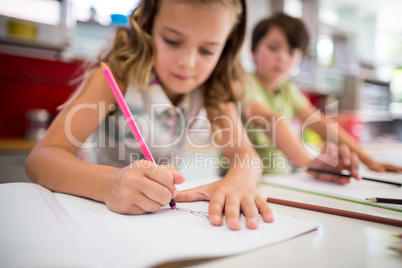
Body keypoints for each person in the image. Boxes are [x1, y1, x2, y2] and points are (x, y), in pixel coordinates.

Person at [25, 0, 357, 232]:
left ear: (225, 47)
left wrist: (237, 182)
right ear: (148, 27)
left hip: (161, 219)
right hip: (93, 216)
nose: (188, 63)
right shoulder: (118, 74)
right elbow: (42, 158)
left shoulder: (212, 87)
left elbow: (246, 156)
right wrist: (110, 184)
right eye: (172, 40)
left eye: (207, 50)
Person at [242, 12, 402, 178]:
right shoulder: (244, 82)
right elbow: (271, 119)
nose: (282, 57)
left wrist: (369, 161)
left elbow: (322, 125)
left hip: (281, 177)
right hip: (245, 177)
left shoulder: (288, 90)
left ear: (299, 58)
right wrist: (311, 166)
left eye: (291, 51)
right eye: (273, 48)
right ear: (253, 51)